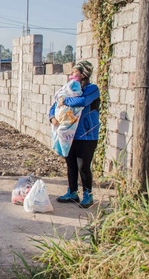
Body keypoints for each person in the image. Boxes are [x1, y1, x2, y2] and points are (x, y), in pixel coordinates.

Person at [49, 61, 100, 208]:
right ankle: (72, 192)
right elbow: (54, 105)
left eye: (74, 73)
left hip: (86, 135)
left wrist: (64, 100)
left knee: (83, 166)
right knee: (71, 164)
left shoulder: (92, 89)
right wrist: (52, 117)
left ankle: (88, 195)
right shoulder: (66, 89)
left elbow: (82, 101)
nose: (71, 75)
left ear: (83, 74)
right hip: (68, 134)